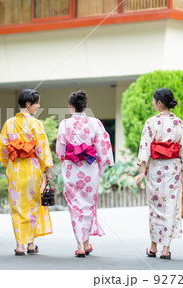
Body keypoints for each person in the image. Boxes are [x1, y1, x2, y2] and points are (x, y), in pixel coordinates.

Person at [136, 88, 183, 260]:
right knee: (170, 208)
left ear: (160, 103)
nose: (153, 103)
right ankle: (165, 249)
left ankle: (153, 247)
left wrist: (141, 172)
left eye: (154, 100)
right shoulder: (179, 123)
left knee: (155, 208)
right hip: (173, 170)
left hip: (155, 168)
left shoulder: (150, 122)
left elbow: (145, 148)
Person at [0, 89, 54, 256]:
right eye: (37, 103)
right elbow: (42, 149)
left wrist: (10, 163)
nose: (38, 106)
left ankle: (19, 245)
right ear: (28, 104)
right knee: (32, 205)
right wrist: (47, 170)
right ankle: (31, 244)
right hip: (33, 168)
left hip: (15, 168)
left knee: (17, 205)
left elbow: (4, 148)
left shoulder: (9, 123)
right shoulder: (36, 124)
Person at [56, 91, 114, 257]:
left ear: (70, 106)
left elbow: (60, 151)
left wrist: (65, 160)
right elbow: (103, 148)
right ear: (85, 106)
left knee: (75, 207)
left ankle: (81, 245)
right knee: (88, 205)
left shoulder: (64, 124)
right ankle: (87, 243)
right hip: (89, 169)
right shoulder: (95, 123)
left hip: (71, 169)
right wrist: (101, 166)